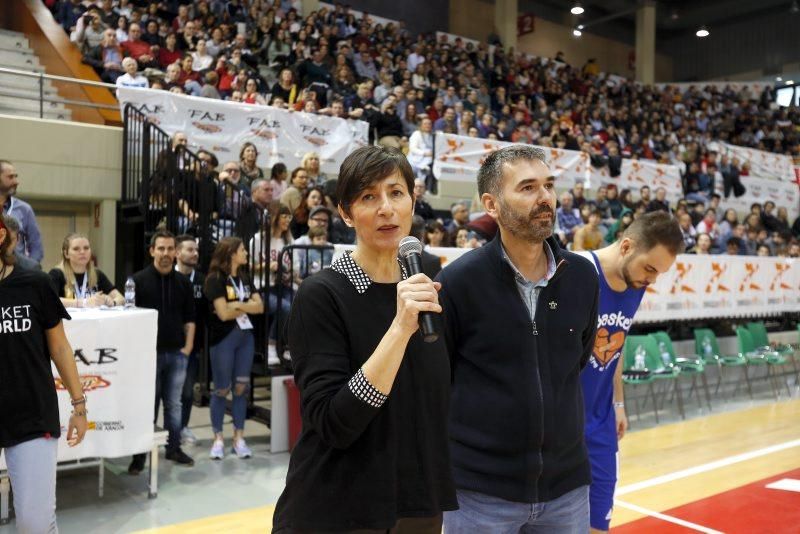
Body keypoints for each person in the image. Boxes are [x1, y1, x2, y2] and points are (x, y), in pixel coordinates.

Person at [272, 146, 457, 532]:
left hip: (417, 504)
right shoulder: (322, 295)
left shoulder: (425, 274)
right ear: (345, 212)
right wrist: (399, 328)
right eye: (368, 197)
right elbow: (334, 423)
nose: (385, 208)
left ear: (412, 200)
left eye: (396, 192)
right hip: (337, 508)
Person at [437, 145, 599, 532]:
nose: (544, 198)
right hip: (479, 494)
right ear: (491, 204)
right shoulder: (457, 283)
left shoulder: (581, 276)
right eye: (527, 188)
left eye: (548, 186)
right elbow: (439, 379)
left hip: (567, 490)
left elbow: (576, 360)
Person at [575, 211, 684, 534]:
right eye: (650, 268)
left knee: (598, 524)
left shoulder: (636, 282)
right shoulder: (577, 272)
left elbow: (615, 346)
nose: (651, 280)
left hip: (600, 422)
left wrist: (619, 404)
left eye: (659, 273)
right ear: (626, 247)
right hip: (560, 424)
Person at [0, 212, 88, 533]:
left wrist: (79, 406)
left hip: (31, 414)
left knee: (34, 524)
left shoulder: (35, 283)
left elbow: (60, 348)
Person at [129, 230, 196, 474]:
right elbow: (130, 320)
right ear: (152, 251)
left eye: (170, 249)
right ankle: (139, 456)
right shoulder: (137, 280)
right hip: (148, 357)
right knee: (146, 407)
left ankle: (173, 448)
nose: (166, 253)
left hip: (177, 354)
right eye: (161, 248)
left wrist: (187, 348)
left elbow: (190, 319)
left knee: (174, 405)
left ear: (175, 252)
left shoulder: (183, 283)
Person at [204, 237, 264, 459]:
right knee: (221, 389)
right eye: (242, 250)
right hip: (223, 340)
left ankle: (239, 437)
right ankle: (218, 438)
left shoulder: (246, 278)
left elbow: (260, 307)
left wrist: (236, 305)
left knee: (241, 388)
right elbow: (223, 314)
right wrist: (245, 307)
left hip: (245, 338)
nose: (246, 253)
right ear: (231, 253)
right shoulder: (215, 279)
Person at [175, 235, 206, 446]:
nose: (194, 253)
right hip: (166, 344)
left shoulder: (203, 280)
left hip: (192, 347)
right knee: (162, 393)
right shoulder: (168, 277)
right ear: (177, 253)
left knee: (187, 392)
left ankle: (183, 428)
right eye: (189, 249)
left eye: (196, 250)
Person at [48, 233, 123, 308]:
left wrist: (111, 302)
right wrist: (84, 302)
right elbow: (49, 300)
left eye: (86, 248)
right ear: (66, 254)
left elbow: (121, 298)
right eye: (76, 249)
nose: (82, 252)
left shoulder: (96, 273)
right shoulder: (57, 274)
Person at [0, 160, 43, 263]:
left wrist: (30, 270)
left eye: (16, 176)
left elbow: (36, 247)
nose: (16, 182)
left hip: (16, 273)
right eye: (10, 177)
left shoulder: (24, 209)